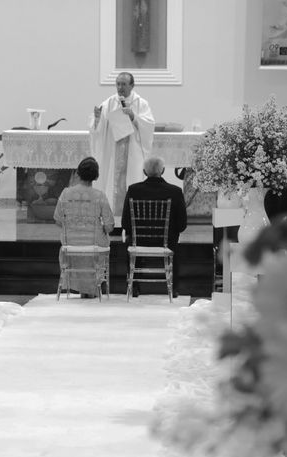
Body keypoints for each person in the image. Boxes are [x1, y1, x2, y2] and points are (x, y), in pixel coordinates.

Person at [121, 157, 187, 297]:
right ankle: (173, 288)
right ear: (162, 171)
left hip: (138, 240)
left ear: (144, 171)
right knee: (175, 243)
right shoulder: (175, 191)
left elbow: (125, 223)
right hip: (167, 242)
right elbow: (182, 224)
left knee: (130, 239)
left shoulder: (133, 190)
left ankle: (133, 286)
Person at [90, 71, 155, 212]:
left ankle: (133, 220)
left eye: (124, 84)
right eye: (118, 84)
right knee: (112, 184)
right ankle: (114, 221)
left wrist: (133, 116)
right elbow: (98, 129)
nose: (120, 87)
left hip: (133, 152)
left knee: (133, 182)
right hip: (114, 153)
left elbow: (149, 125)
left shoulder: (141, 103)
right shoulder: (108, 103)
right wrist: (97, 119)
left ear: (132, 85)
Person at [53, 157, 114, 298]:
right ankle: (91, 288)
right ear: (96, 176)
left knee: (78, 249)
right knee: (97, 246)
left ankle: (84, 289)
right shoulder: (99, 195)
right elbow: (110, 226)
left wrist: (72, 227)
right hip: (94, 243)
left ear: (78, 173)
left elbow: (57, 220)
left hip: (71, 242)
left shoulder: (65, 193)